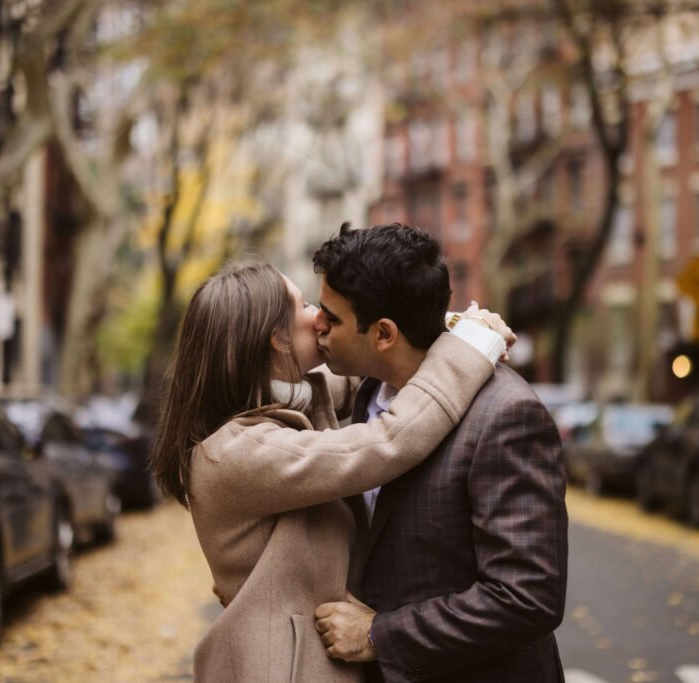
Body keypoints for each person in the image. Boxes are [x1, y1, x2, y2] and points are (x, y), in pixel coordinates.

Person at [150, 258, 511, 682]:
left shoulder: (276, 406)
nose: (320, 318)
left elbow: (372, 365)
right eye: (305, 306)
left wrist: (444, 323)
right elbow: (385, 443)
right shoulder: (240, 452)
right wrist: (470, 348)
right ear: (277, 339)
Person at [313, 223, 569, 683]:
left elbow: (527, 597)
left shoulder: (507, 415)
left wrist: (378, 635)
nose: (317, 325)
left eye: (331, 318)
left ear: (384, 334)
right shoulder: (368, 390)